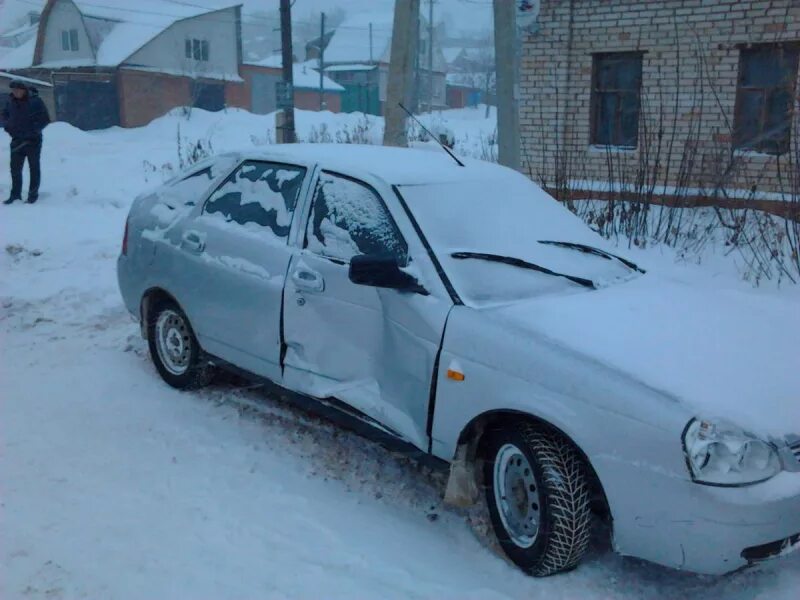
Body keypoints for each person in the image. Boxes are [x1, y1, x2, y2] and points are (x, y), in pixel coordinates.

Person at [2, 79, 50, 204]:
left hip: (32, 140)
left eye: (18, 90)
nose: (16, 92)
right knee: (15, 169)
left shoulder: (35, 102)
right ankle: (15, 195)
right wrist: (8, 126)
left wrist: (33, 131)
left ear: (24, 90)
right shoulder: (10, 101)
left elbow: (44, 119)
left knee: (33, 168)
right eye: (14, 90)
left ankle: (32, 195)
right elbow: (4, 115)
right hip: (16, 140)